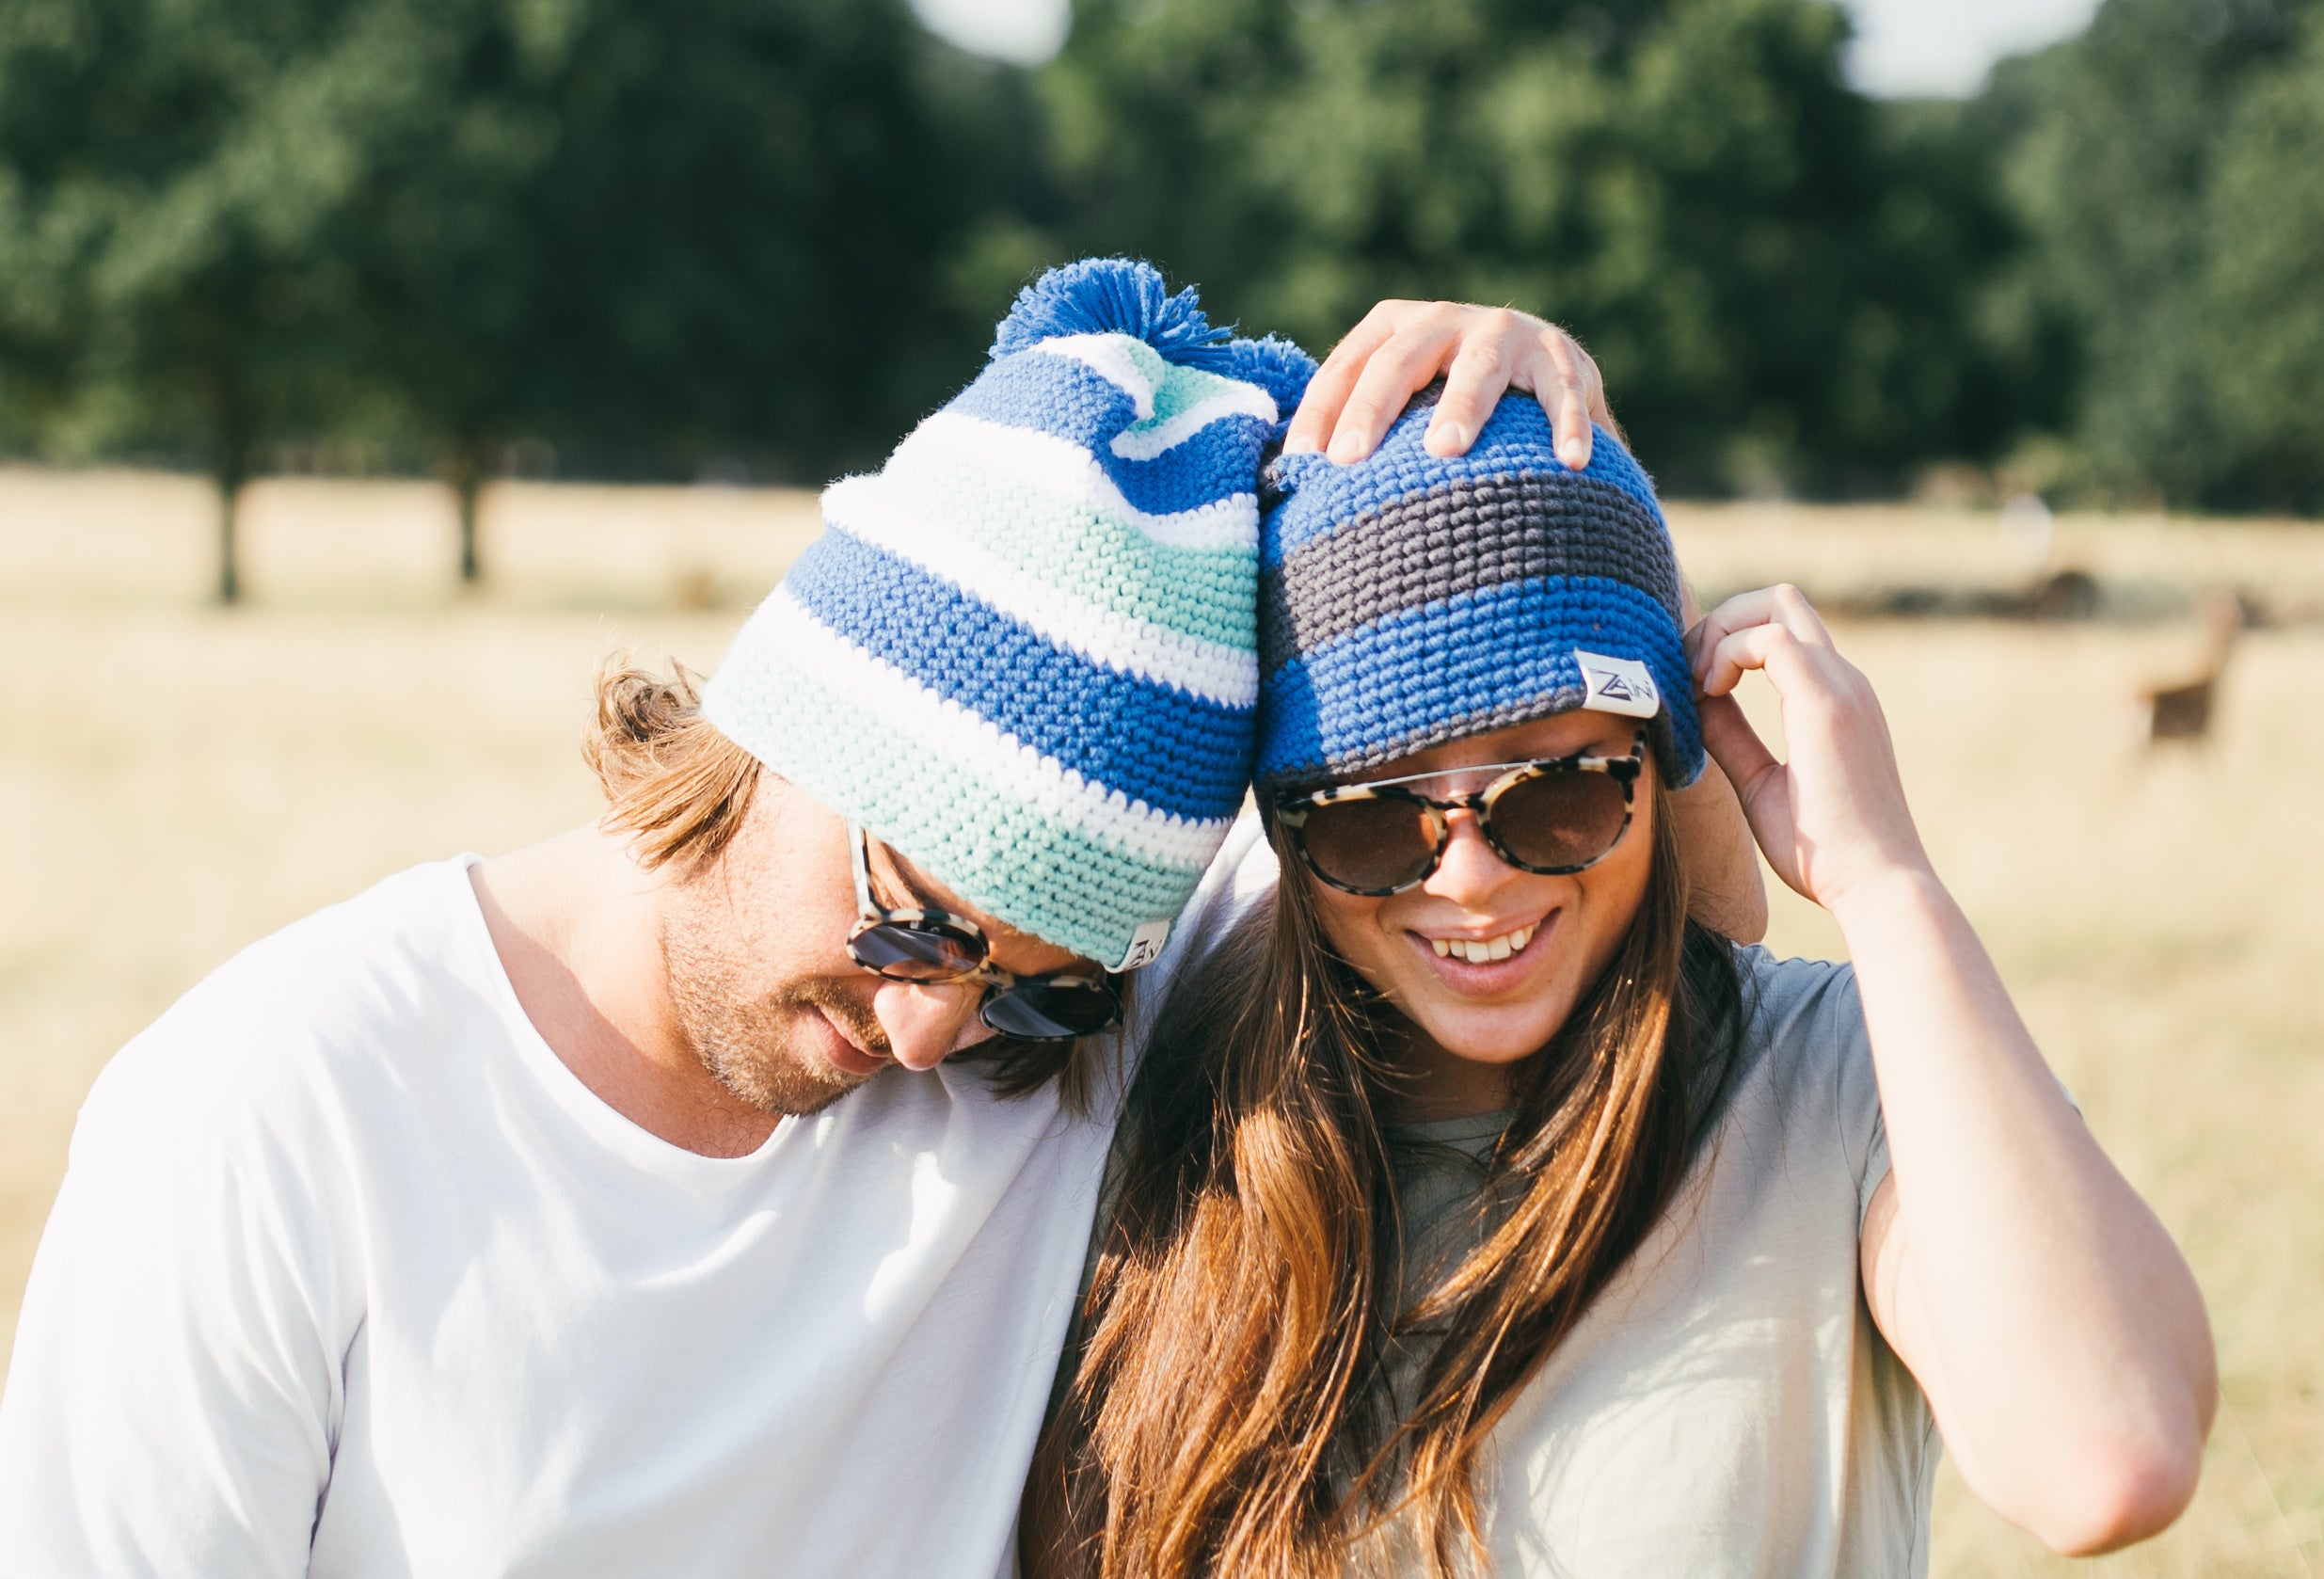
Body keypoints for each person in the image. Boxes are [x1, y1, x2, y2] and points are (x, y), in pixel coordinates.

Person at [0, 262, 1753, 1577]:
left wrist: (1561, 459)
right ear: (786, 724)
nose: (932, 1036)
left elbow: (1659, 954)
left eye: (1040, 988)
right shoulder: (275, 1104)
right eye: (915, 918)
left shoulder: (1059, 1044)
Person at [1022, 388, 2217, 1578]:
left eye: (1559, 792)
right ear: (1283, 835)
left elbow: (2104, 1455)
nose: (1473, 879)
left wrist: (1883, 881)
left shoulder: (1830, 1082)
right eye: (1370, 819)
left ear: (1663, 765)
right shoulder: (1185, 1122)